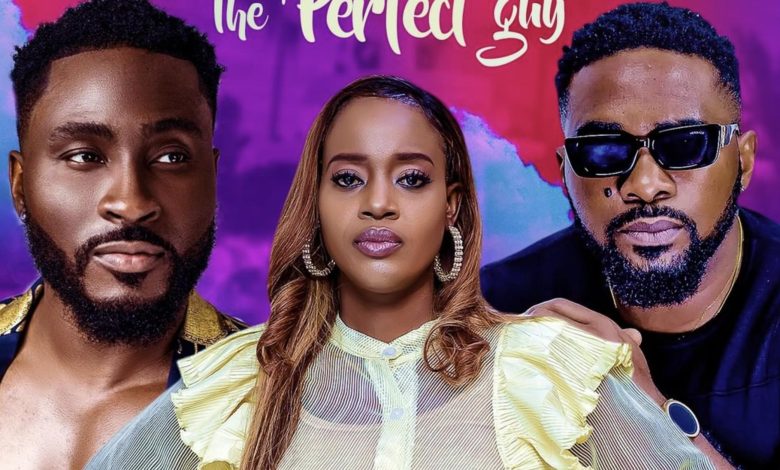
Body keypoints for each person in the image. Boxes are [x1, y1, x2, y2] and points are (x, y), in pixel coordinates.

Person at [89, 76, 724, 469]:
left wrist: (653, 401)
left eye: (412, 178)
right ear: (317, 203)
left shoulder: (548, 372)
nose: (378, 202)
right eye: (348, 178)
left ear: (451, 205)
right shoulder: (235, 386)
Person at [480, 2, 779, 467]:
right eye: (603, 152)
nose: (643, 185)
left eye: (685, 144)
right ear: (565, 172)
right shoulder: (498, 308)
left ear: (742, 162)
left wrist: (644, 411)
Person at [0, 0, 243, 467]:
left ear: (212, 179)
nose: (131, 203)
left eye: (171, 157)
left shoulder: (284, 400)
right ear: (20, 185)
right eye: (85, 157)